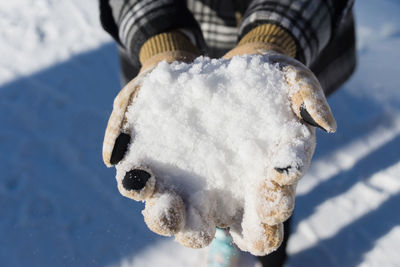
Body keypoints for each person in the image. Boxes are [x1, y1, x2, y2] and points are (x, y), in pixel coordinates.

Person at [99, 0, 356, 266]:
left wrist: (271, 40)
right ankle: (225, 229)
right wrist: (161, 42)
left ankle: (272, 256)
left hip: (294, 28)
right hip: (186, 24)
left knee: (277, 166)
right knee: (218, 182)